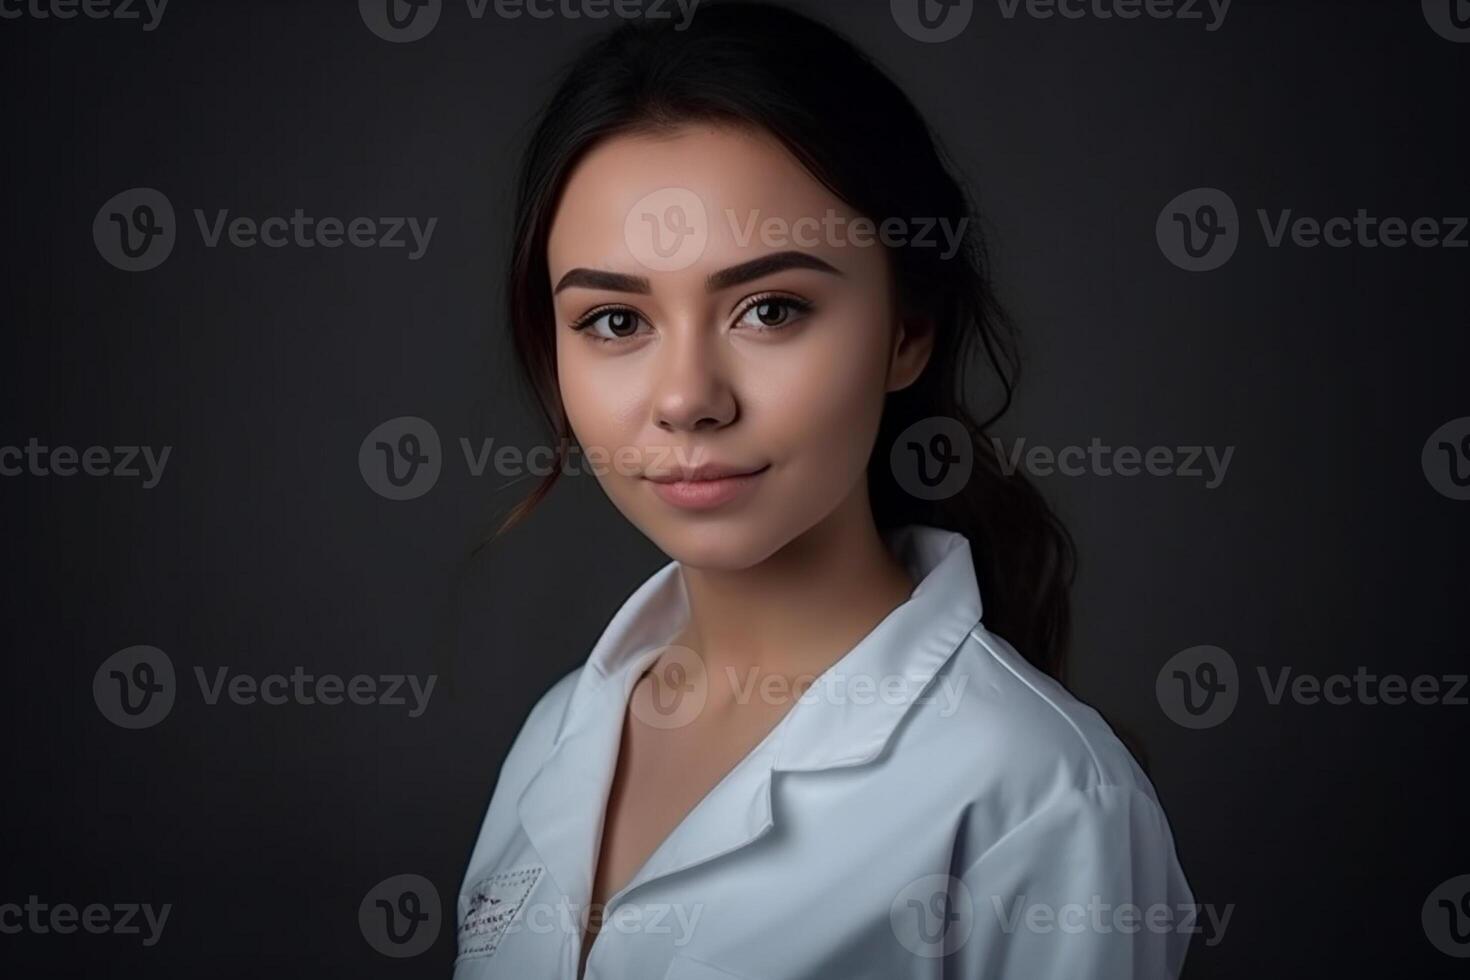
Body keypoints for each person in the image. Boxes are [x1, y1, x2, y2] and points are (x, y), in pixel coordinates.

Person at [456, 3, 1193, 977]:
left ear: (907, 330)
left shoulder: (1041, 799)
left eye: (771, 308)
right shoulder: (556, 736)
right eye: (614, 321)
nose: (686, 399)